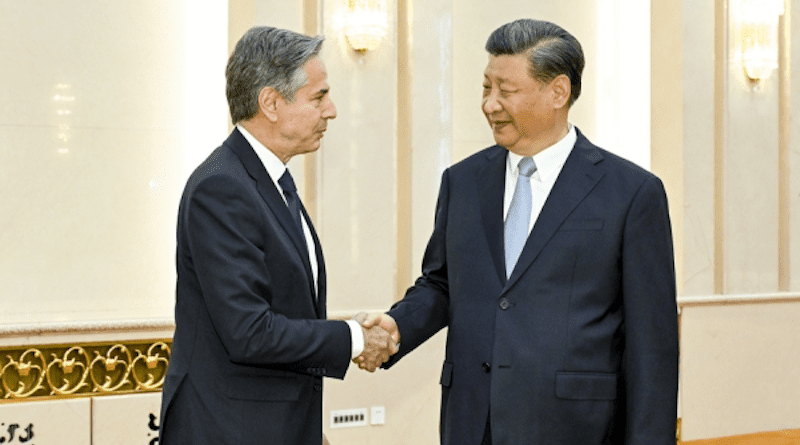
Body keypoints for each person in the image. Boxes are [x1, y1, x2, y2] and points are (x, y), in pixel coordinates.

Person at [357, 18, 678, 445]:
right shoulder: (463, 182)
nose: (490, 104)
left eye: (505, 91)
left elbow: (652, 346)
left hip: (578, 428)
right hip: (473, 421)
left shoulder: (632, 193)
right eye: (485, 88)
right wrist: (398, 326)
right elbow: (442, 283)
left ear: (558, 92)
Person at [159, 27, 397, 445]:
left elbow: (282, 309)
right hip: (229, 430)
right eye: (319, 96)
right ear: (270, 102)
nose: (332, 110)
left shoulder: (267, 182)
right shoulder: (222, 186)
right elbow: (249, 331)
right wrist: (355, 338)